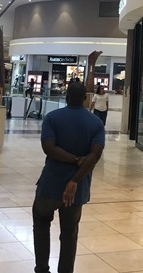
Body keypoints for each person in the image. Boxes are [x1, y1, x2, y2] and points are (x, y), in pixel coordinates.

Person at [32, 81, 105, 273]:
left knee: (41, 223)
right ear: (85, 98)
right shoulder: (96, 123)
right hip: (77, 190)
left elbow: (49, 148)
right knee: (70, 233)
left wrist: (72, 159)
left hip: (50, 185)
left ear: (66, 97)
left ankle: (41, 269)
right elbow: (95, 155)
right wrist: (74, 180)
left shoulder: (52, 118)